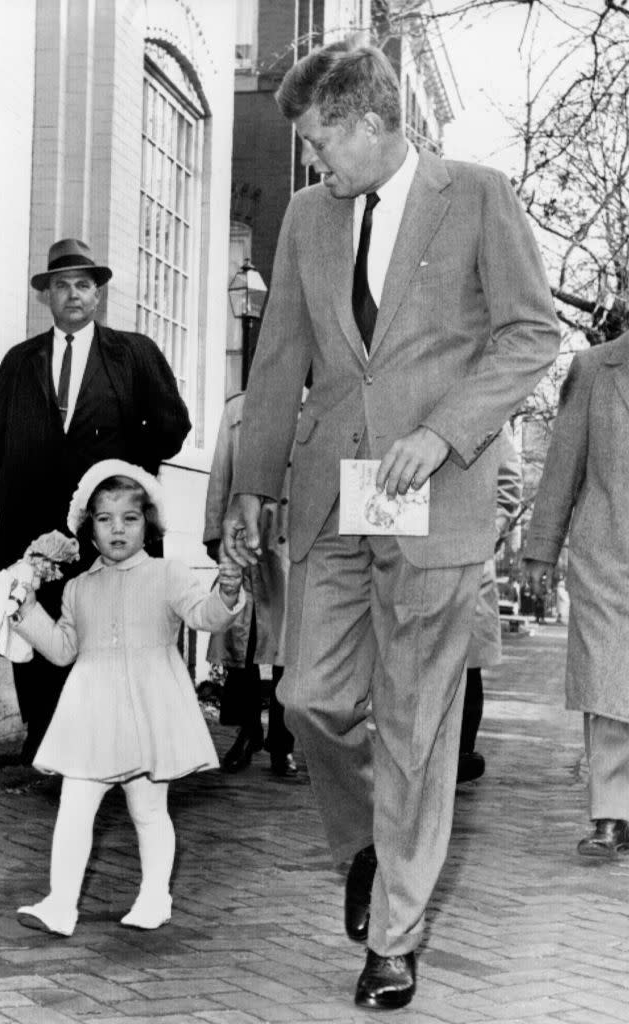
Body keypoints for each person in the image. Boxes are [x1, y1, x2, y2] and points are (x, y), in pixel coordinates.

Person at [222, 42, 559, 1010]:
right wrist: (254, 485)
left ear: (372, 121)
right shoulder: (307, 219)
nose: (313, 158)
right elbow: (281, 347)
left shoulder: (478, 195)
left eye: (323, 137)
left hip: (431, 493)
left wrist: (446, 432)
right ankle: (371, 842)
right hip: (335, 490)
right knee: (309, 702)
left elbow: (530, 332)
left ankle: (395, 937)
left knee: (415, 726)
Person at [0, 239, 191, 762]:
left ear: (98, 295)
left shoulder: (133, 354)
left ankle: (108, 736)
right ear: (46, 296)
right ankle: (44, 735)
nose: (72, 295)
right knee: (30, 621)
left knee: (102, 627)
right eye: (61, 285)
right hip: (29, 522)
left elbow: (172, 427)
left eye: (83, 285)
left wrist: (126, 476)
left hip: (103, 525)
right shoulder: (20, 362)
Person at [10, 460, 243, 936]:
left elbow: (206, 616)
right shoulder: (78, 588)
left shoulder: (167, 575)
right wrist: (26, 610)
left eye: (130, 519)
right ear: (89, 530)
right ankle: (60, 904)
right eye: (104, 519)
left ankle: (155, 896)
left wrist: (230, 587)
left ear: (148, 525)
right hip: (91, 713)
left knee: (148, 810)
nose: (118, 529)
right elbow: (62, 650)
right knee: (74, 806)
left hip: (147, 712)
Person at [523, 333, 629, 858]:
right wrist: (541, 550)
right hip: (605, 554)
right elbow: (562, 464)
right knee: (607, 685)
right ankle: (610, 814)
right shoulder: (593, 369)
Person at [203, 393, 297, 778]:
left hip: (292, 541)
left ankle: (282, 743)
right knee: (242, 639)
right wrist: (214, 534)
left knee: (287, 649)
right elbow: (221, 471)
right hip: (244, 536)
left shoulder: (319, 401)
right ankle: (246, 732)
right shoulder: (237, 410)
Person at [458, 425, 522, 784]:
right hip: (408, 548)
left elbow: (509, 481)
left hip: (468, 549)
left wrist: (492, 528)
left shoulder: (489, 411)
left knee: (468, 663)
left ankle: (463, 751)